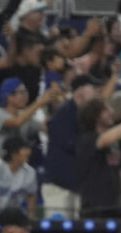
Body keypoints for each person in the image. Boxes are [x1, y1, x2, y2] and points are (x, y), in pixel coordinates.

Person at [76, 98, 121, 218]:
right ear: (95, 116)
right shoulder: (88, 139)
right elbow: (106, 139)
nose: (111, 111)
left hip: (116, 205)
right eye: (106, 109)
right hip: (95, 207)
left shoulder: (112, 142)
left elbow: (116, 167)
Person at [42, 75, 99, 219]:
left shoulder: (83, 114)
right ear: (80, 91)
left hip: (74, 185)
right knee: (57, 232)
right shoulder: (65, 113)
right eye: (93, 88)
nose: (96, 92)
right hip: (59, 186)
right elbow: (70, 143)